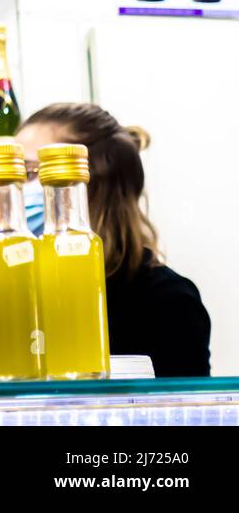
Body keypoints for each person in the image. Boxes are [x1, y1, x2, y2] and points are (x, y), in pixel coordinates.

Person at [16, 103, 211, 378]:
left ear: (89, 182)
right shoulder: (14, 289)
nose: (15, 190)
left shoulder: (167, 300)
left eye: (30, 173)